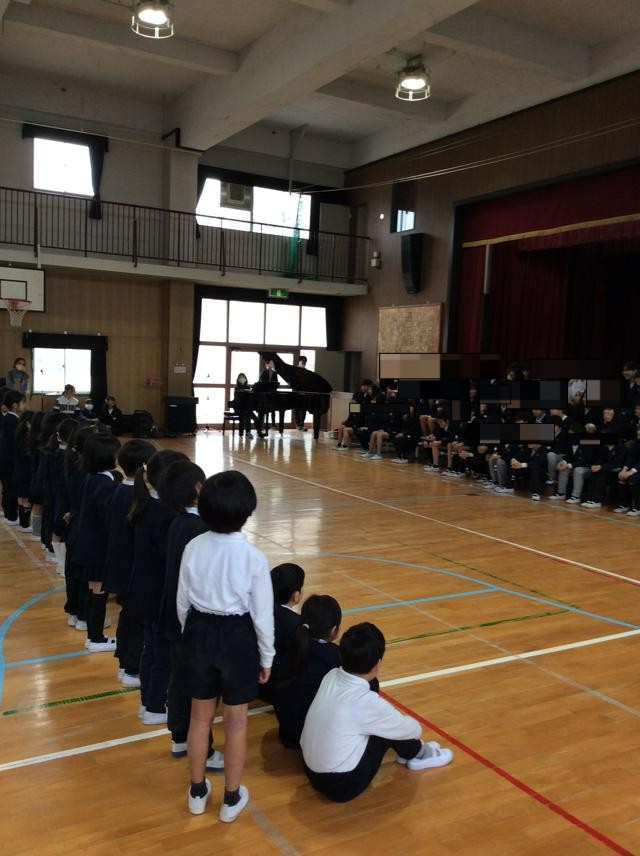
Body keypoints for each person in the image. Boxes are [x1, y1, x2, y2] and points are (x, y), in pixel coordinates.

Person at [176, 470, 274, 823]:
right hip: (238, 638)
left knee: (199, 719)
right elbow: (263, 615)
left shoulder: (193, 547)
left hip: (199, 631)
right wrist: (267, 656)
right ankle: (231, 797)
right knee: (236, 723)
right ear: (247, 511)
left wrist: (192, 634)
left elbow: (182, 601)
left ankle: (197, 792)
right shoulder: (253, 557)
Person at [301, 622, 453, 803]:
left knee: (380, 724)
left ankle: (410, 751)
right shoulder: (365, 702)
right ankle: (420, 753)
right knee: (387, 730)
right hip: (340, 785)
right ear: (378, 664)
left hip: (310, 769)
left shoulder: (331, 675)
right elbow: (413, 730)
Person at [157, 459, 224, 773]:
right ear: (199, 488)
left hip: (174, 615)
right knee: (200, 688)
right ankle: (204, 751)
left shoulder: (179, 522)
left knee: (180, 681)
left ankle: (180, 737)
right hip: (192, 621)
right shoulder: (200, 530)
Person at [128, 449, 187, 725]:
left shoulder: (146, 504)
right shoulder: (166, 514)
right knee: (162, 651)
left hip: (146, 589)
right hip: (160, 593)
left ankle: (148, 701)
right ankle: (155, 704)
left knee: (151, 647)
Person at [103, 439, 157, 685]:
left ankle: (126, 664)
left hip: (119, 563)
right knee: (136, 621)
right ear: (145, 467)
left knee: (128, 617)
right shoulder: (137, 497)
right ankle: (132, 669)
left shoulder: (118, 490)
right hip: (133, 568)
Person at [73, 433, 122, 652]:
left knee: (95, 591)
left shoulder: (94, 478)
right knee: (98, 592)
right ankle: (96, 638)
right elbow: (109, 517)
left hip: (89, 544)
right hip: (98, 547)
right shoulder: (104, 484)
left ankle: (94, 635)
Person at [272, 594, 341, 749]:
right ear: (334, 630)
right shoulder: (335, 655)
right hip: (313, 738)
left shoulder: (291, 645)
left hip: (287, 732)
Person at [260, 562, 305, 703]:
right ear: (296, 595)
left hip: (252, 680)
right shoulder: (296, 623)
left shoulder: (257, 612)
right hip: (277, 689)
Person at [0, 390, 27, 524]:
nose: (25, 405)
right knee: (11, 488)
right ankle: (11, 516)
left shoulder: (8, 418)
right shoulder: (13, 420)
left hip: (6, 460)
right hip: (9, 460)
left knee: (8, 488)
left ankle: (9, 515)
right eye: (23, 402)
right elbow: (14, 443)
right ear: (15, 405)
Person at [230, 374, 255, 439]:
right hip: (239, 407)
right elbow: (237, 399)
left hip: (246, 407)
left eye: (243, 377)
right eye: (241, 377)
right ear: (238, 379)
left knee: (248, 415)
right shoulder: (237, 388)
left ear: (246, 379)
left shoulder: (248, 387)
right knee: (244, 415)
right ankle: (241, 434)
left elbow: (250, 398)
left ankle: (248, 432)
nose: (242, 378)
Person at [295, 356, 308, 430]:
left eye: (305, 362)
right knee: (297, 409)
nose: (304, 363)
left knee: (304, 410)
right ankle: (297, 425)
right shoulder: (294, 370)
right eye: (303, 361)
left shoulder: (306, 371)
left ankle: (302, 424)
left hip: (304, 393)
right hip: (296, 393)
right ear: (299, 362)